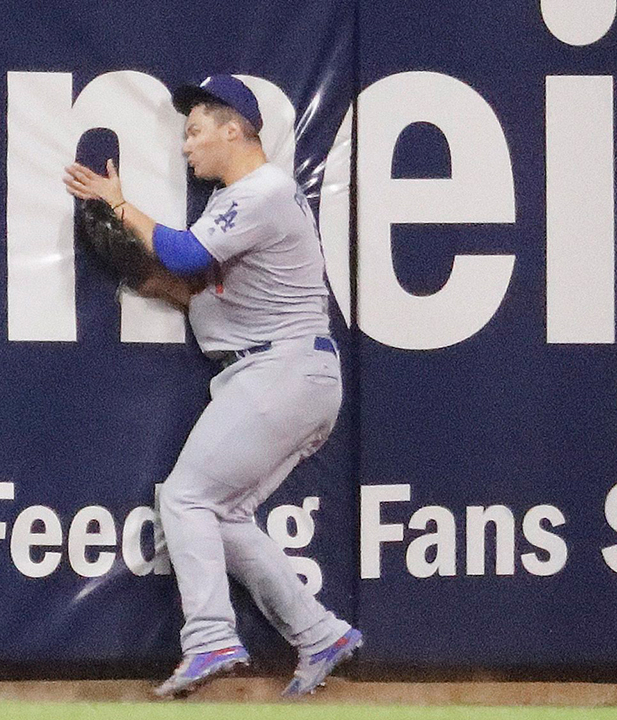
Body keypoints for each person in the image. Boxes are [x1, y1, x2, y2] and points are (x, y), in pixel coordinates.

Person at [62, 74, 361, 699]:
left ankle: (210, 637)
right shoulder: (243, 203)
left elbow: (187, 256)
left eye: (196, 130)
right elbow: (188, 285)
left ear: (235, 129)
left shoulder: (264, 190)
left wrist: (120, 204)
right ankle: (319, 632)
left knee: (187, 499)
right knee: (220, 515)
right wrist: (134, 270)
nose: (187, 146)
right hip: (279, 372)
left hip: (282, 369)